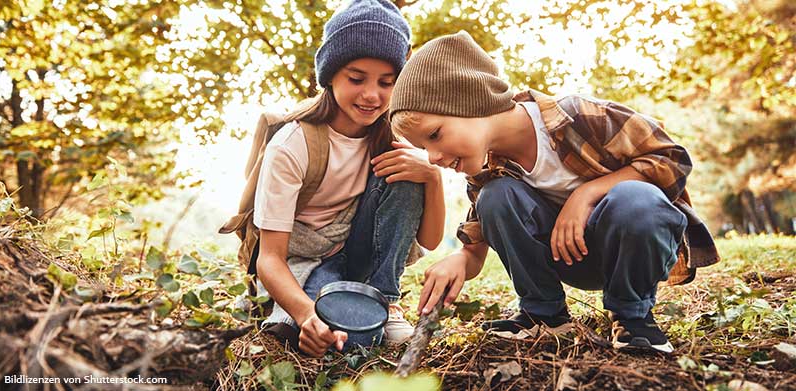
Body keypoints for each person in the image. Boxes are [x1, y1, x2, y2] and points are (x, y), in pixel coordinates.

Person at [388, 31, 720, 353]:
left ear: (471, 102)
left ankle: (633, 318)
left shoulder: (579, 116)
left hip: (632, 246)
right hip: (569, 260)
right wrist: (459, 260)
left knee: (637, 199)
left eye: (434, 135)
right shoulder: (487, 173)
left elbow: (671, 159)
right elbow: (475, 250)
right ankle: (544, 314)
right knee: (497, 196)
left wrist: (586, 194)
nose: (432, 157)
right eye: (422, 147)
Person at [254, 0, 445, 357]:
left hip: (360, 251)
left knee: (407, 169)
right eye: (356, 79)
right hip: (306, 260)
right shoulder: (293, 145)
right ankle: (314, 305)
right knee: (341, 339)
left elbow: (430, 240)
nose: (372, 95)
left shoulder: (392, 139)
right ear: (330, 75)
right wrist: (307, 315)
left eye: (387, 83)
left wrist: (432, 176)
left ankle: (384, 301)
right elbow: (270, 258)